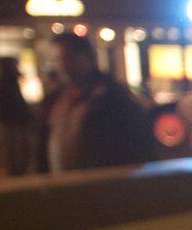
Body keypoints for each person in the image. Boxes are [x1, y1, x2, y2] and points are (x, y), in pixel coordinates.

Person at [45, 35, 157, 173]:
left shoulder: (113, 97)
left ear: (87, 57)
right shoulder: (57, 100)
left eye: (68, 58)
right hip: (66, 183)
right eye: (58, 60)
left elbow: (137, 145)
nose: (63, 66)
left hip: (104, 181)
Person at [0, 56, 34, 176]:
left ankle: (17, 169)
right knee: (16, 146)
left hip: (12, 119)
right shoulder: (5, 82)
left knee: (16, 146)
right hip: (13, 119)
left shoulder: (5, 81)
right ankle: (17, 170)